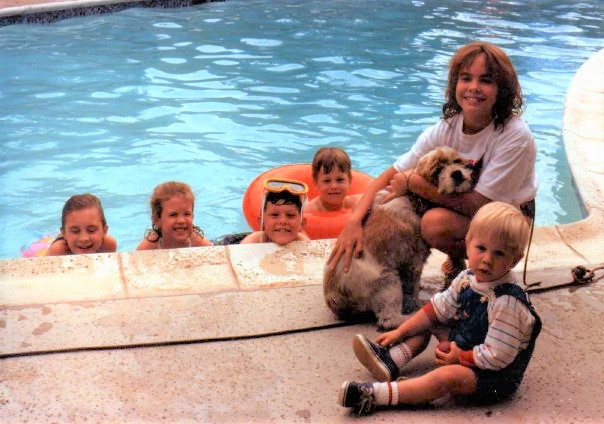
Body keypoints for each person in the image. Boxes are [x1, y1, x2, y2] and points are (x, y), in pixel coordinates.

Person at [328, 41, 537, 285]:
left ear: (502, 89)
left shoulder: (515, 135)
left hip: (511, 216)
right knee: (411, 204)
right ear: (454, 84)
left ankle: (491, 275)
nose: (473, 87)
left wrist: (413, 183)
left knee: (434, 223)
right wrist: (353, 222)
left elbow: (479, 206)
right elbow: (389, 176)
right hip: (474, 210)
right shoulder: (448, 127)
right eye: (466, 78)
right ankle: (458, 263)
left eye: (486, 80)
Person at [338, 202, 541, 415]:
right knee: (429, 319)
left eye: (499, 253)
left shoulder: (507, 303)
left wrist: (460, 357)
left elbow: (497, 357)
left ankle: (375, 395)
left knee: (446, 377)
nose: (487, 260)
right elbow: (437, 309)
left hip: (492, 377)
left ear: (515, 260)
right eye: (481, 248)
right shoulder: (467, 278)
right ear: (468, 243)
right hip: (466, 344)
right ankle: (392, 359)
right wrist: (400, 332)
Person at [137, 181, 212, 250]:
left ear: (192, 216)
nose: (181, 221)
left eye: (186, 214)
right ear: (156, 219)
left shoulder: (202, 246)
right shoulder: (147, 248)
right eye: (173, 215)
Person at [240, 178, 311, 246]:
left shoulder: (304, 243)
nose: (283, 221)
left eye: (290, 215)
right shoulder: (251, 242)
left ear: (302, 223)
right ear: (261, 222)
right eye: (275, 215)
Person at [46, 194, 117, 256]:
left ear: (104, 231)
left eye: (91, 230)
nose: (84, 239)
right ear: (64, 233)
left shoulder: (108, 245)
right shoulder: (58, 251)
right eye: (75, 231)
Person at [304, 147, 361, 213]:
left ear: (350, 180)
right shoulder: (308, 212)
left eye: (340, 180)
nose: (334, 186)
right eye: (327, 181)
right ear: (316, 183)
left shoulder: (358, 203)